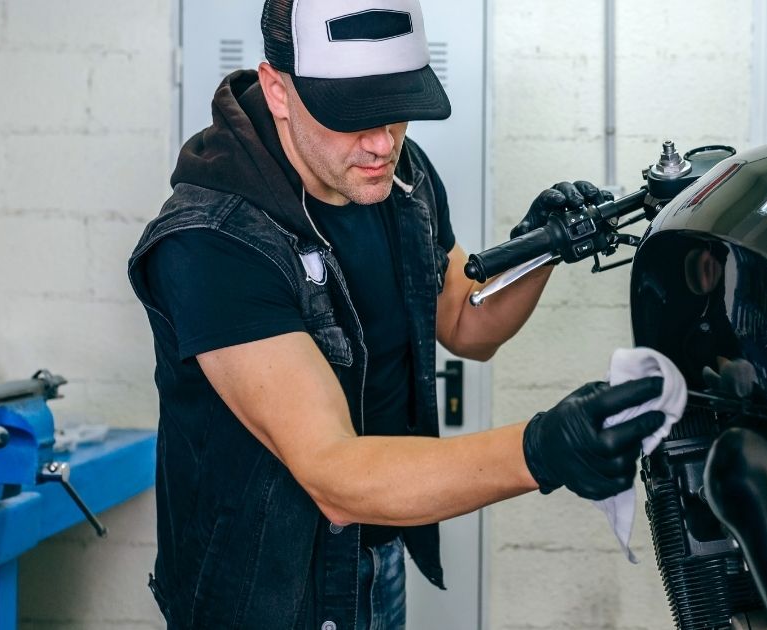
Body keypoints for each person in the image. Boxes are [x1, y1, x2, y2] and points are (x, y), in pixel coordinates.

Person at [126, 0, 666, 628]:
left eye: (396, 111)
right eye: (353, 117)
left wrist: (540, 248)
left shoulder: (392, 175)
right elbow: (334, 473)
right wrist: (540, 449)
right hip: (266, 592)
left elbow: (467, 323)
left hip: (374, 559)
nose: (383, 143)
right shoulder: (213, 241)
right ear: (278, 89)